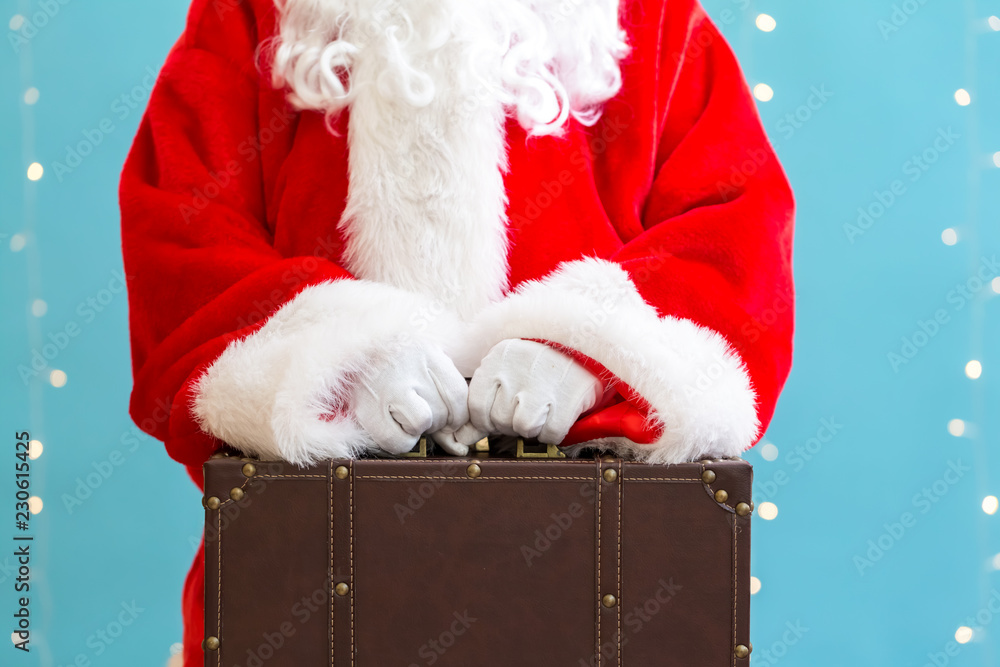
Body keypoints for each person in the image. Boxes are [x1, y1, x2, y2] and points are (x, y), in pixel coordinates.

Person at [120, 0, 794, 661]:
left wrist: (585, 353)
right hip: (309, 567)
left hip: (597, 567)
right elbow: (179, 226)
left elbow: (736, 230)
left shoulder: (655, 19)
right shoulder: (246, 15)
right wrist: (338, 357)